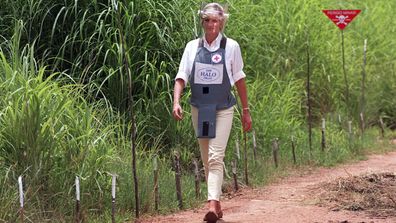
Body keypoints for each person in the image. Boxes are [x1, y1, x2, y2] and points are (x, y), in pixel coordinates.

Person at [172, 2, 252, 222]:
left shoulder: (231, 47)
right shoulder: (192, 47)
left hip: (223, 109)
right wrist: (176, 102)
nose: (211, 24)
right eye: (207, 20)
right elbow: (181, 76)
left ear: (221, 22)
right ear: (202, 22)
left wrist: (246, 110)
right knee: (208, 159)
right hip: (200, 109)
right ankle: (216, 205)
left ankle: (210, 204)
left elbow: (240, 80)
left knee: (216, 156)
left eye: (215, 20)